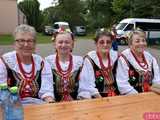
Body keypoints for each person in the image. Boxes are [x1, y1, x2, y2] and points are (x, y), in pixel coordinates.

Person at [0, 24, 54, 103]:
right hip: (11, 108)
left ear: (35, 44)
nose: (26, 44)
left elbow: (46, 92)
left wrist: (50, 102)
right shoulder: (4, 62)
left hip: (37, 108)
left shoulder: (42, 63)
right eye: (21, 40)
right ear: (14, 44)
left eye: (30, 41)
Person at [116, 29, 160, 95]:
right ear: (130, 44)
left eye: (143, 40)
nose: (141, 43)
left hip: (151, 95)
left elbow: (157, 80)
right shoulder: (123, 59)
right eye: (137, 41)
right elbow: (123, 85)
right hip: (131, 98)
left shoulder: (150, 58)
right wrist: (140, 97)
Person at [78, 31, 119, 99]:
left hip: (116, 96)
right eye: (101, 42)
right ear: (96, 43)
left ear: (111, 43)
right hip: (97, 97)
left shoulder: (116, 56)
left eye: (108, 42)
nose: (105, 45)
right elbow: (88, 84)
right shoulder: (90, 59)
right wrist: (101, 99)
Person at [45, 29, 83, 102]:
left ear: (72, 45)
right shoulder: (48, 62)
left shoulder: (79, 62)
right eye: (60, 42)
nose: (63, 45)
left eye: (67, 42)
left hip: (76, 103)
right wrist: (51, 102)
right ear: (55, 45)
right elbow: (46, 88)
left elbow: (84, 86)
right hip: (54, 103)